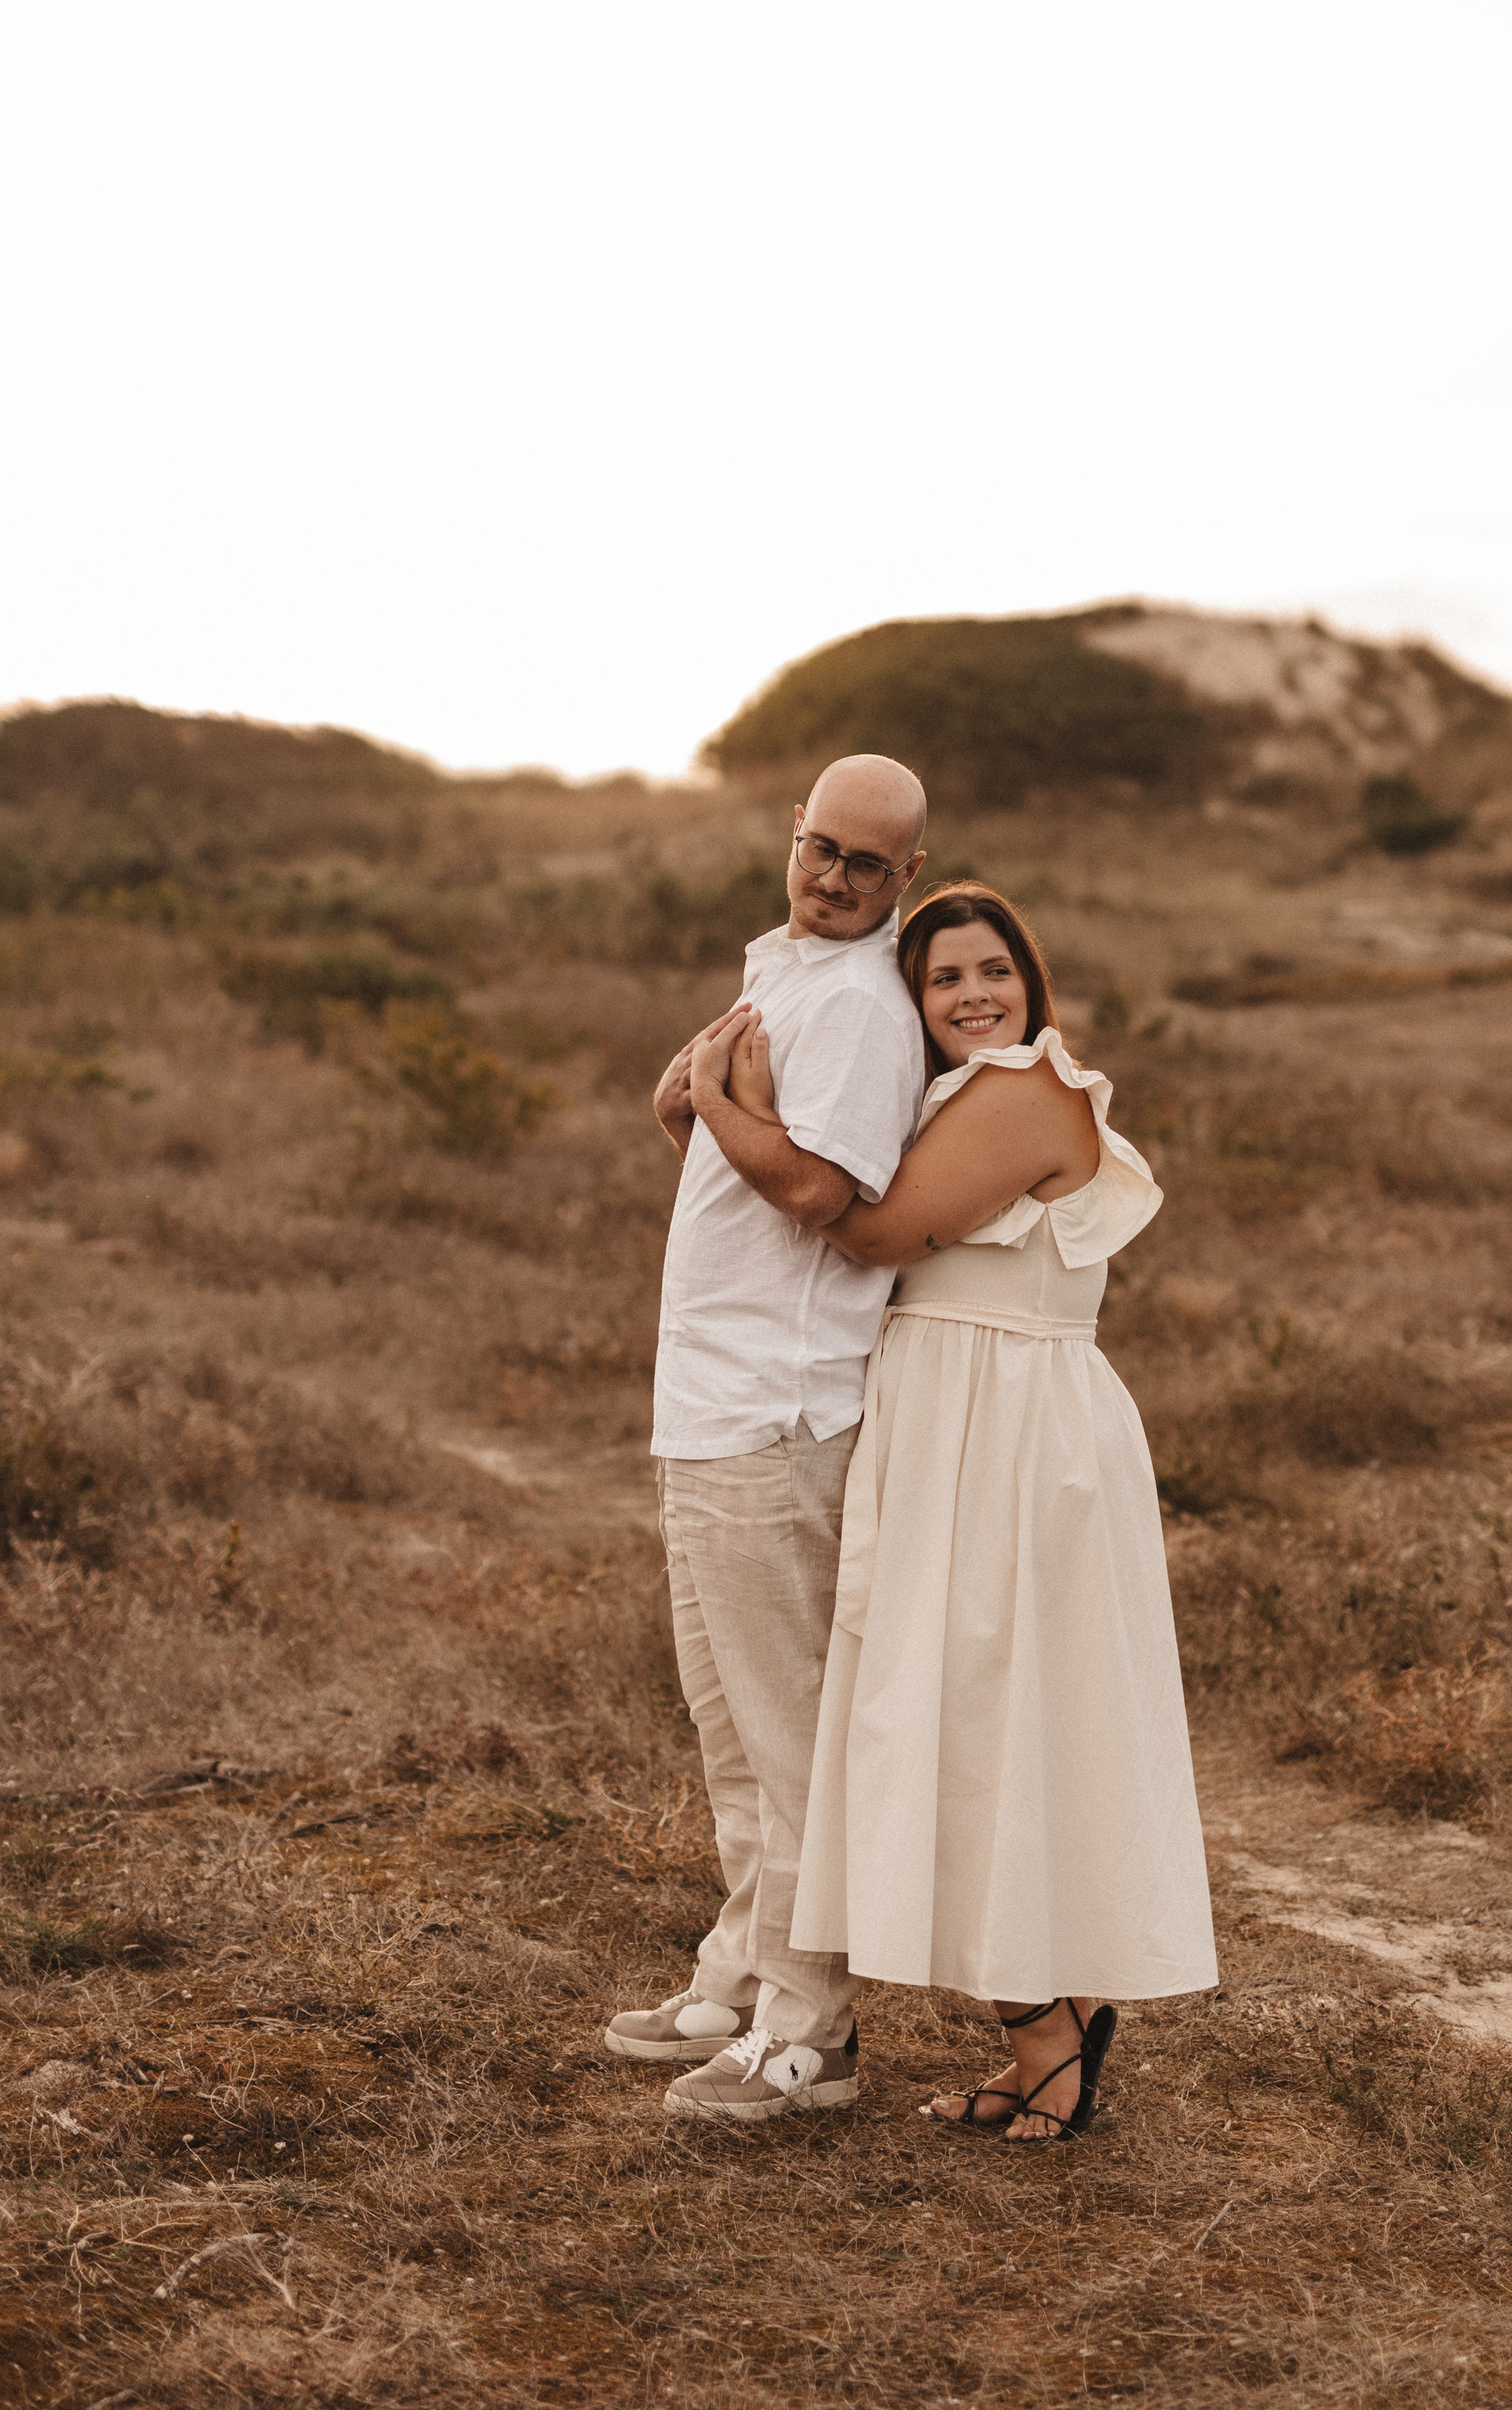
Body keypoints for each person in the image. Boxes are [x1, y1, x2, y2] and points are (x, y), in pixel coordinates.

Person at [702, 883, 1217, 2143]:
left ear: (1030, 980)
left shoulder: (1027, 1092)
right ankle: (1053, 2025)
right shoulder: (943, 1102)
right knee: (974, 1725)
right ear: (915, 1006)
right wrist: (743, 1140)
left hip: (1013, 1436)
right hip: (953, 1425)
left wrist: (731, 1113)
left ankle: (1049, 2036)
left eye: (995, 970)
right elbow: (811, 1227)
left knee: (985, 1725)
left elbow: (866, 1231)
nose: (976, 995)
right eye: (943, 983)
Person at [603, 754, 928, 2124]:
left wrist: (720, 1106)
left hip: (775, 1408)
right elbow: (678, 1114)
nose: (834, 877)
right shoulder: (786, 965)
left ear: (905, 876)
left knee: (788, 1737)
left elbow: (812, 1186)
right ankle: (738, 1968)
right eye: (819, 847)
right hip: (709, 1397)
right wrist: (698, 1098)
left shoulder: (858, 1002)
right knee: (727, 1724)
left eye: (865, 863)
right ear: (789, 837)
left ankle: (813, 2031)